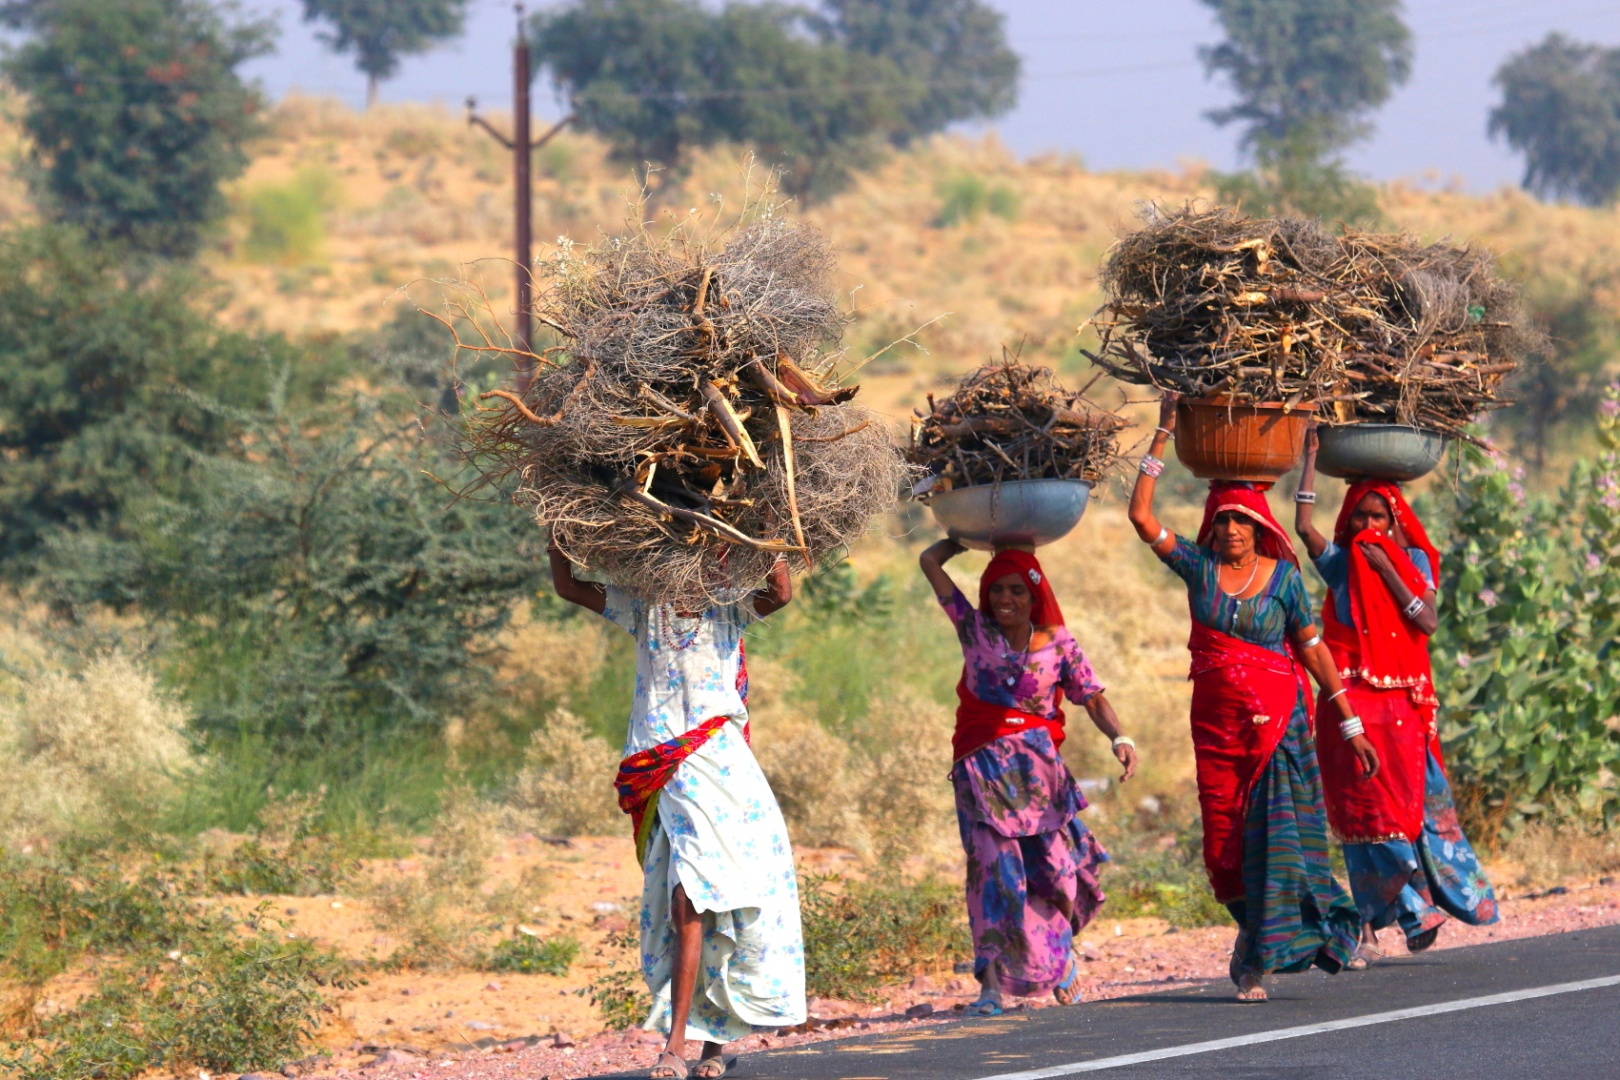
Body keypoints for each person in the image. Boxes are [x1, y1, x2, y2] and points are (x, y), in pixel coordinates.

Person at [1127, 394, 1370, 1002]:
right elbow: (1140, 517)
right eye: (1225, 520)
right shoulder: (1198, 567)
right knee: (1221, 845)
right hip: (1215, 729)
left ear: (1261, 529)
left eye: (1243, 521)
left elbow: (1314, 653)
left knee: (1276, 838)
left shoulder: (1284, 579)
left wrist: (1348, 723)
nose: (1232, 529)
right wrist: (1162, 431)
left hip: (1277, 725)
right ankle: (1252, 932)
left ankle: (1256, 956)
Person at [549, 542, 804, 1080]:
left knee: (723, 900)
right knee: (687, 896)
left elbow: (780, 593)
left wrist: (773, 534)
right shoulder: (643, 609)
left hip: (725, 772)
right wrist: (559, 535)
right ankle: (677, 1044)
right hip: (668, 769)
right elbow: (568, 587)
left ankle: (704, 1047)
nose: (687, 574)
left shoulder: (730, 605)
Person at [1294, 429, 1499, 963]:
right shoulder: (1339, 564)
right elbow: (1302, 528)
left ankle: (1418, 905)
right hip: (1351, 700)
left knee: (1408, 805)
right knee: (1363, 802)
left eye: (1378, 518)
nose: (1367, 528)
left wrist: (1387, 566)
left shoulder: (1417, 564)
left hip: (1405, 701)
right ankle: (1396, 913)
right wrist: (1312, 459)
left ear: (1395, 521)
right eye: (1359, 519)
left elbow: (1426, 621)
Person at [918, 539, 1137, 1017]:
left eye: (1017, 590)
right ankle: (990, 986)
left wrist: (1121, 738)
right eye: (996, 590)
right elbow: (929, 563)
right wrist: (960, 536)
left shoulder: (1058, 643)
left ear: (1034, 595)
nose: (1005, 600)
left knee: (1051, 875)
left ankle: (1061, 963)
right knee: (993, 877)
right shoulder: (973, 630)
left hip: (1039, 779)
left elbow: (1092, 696)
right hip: (981, 773)